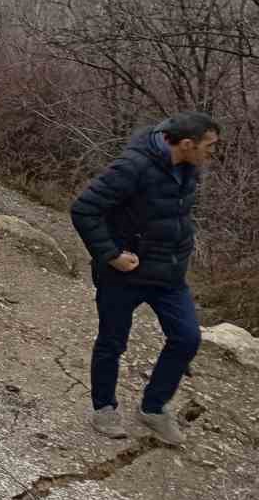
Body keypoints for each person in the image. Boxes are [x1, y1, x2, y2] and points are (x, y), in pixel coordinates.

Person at [71, 112, 221, 446]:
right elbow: (83, 209)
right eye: (209, 146)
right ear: (187, 144)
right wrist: (112, 255)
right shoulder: (132, 167)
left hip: (169, 272)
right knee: (112, 342)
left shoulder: (189, 167)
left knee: (186, 338)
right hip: (124, 273)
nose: (213, 152)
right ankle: (104, 408)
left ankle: (153, 408)